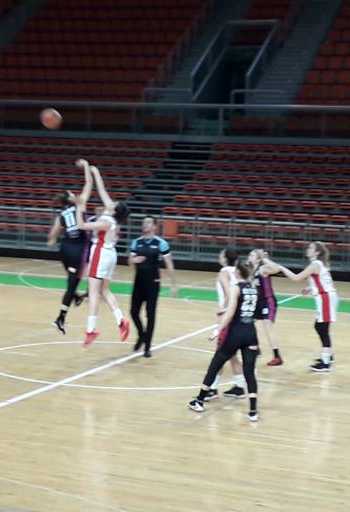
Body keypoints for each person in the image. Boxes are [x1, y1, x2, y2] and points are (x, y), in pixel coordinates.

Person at [187, 261, 261, 422]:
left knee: (215, 365)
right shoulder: (254, 288)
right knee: (249, 373)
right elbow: (251, 312)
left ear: (237, 272)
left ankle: (199, 401)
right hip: (251, 333)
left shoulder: (235, 288)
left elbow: (231, 314)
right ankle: (253, 411)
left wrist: (217, 330)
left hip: (235, 334)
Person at [74, 165, 130, 346]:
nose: (111, 202)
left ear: (114, 210)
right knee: (105, 290)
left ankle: (91, 329)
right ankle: (121, 320)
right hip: (110, 254)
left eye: (113, 204)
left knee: (94, 292)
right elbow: (102, 189)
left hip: (101, 253)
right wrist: (96, 172)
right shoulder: (111, 214)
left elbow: (82, 226)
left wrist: (79, 207)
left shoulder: (107, 222)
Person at [277, 241, 339, 372]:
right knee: (320, 327)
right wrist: (311, 288)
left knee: (322, 328)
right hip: (326, 297)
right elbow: (323, 281)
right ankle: (328, 355)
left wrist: (282, 268)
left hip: (326, 298)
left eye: (310, 248)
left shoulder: (315, 264)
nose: (308, 249)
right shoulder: (318, 264)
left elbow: (296, 278)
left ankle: (326, 363)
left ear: (317, 252)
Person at [47, 159, 93, 334]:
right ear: (71, 197)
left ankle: (77, 296)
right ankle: (60, 318)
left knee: (72, 279)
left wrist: (51, 240)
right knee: (73, 283)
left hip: (65, 249)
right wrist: (86, 166)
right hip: (78, 249)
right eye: (72, 193)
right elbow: (89, 183)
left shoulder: (61, 214)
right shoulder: (80, 204)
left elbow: (53, 233)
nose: (75, 193)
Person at [128, 215, 178, 357]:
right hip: (139, 282)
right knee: (133, 312)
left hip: (153, 283)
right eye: (144, 222)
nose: (145, 224)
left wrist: (173, 284)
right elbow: (130, 261)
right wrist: (134, 260)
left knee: (150, 314)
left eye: (149, 222)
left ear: (154, 226)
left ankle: (147, 347)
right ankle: (141, 334)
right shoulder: (136, 242)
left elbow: (169, 264)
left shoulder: (161, 243)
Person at [206, 248, 249, 400]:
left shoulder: (224, 272)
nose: (219, 256)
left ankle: (212, 389)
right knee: (231, 354)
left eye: (221, 254)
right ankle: (239, 387)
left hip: (229, 315)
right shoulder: (238, 272)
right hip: (239, 315)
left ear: (225, 258)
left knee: (220, 353)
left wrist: (225, 309)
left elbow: (229, 292)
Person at [248, 249, 283, 366]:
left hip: (267, 301)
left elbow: (277, 268)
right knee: (247, 323)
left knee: (268, 327)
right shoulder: (251, 271)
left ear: (258, 258)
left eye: (252, 255)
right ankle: (256, 348)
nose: (249, 256)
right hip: (257, 303)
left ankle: (277, 356)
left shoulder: (262, 269)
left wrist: (265, 259)